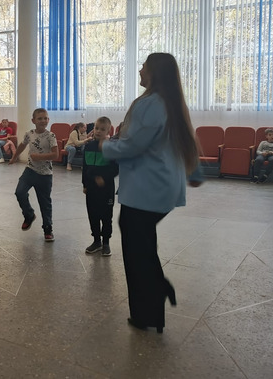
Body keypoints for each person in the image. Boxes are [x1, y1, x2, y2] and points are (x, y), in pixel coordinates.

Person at [101, 52, 202, 334]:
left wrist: (105, 146)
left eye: (144, 66)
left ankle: (148, 308)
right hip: (158, 187)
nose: (140, 70)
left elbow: (133, 145)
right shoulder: (168, 103)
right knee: (143, 246)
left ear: (155, 72)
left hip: (148, 188)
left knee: (137, 250)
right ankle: (154, 303)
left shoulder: (151, 104)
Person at [9, 108, 59, 242]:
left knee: (45, 202)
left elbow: (55, 154)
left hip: (45, 174)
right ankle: (29, 214)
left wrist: (39, 157)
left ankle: (48, 228)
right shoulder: (29, 134)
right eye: (40, 118)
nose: (43, 121)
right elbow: (22, 145)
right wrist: (15, 156)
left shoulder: (51, 136)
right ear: (33, 120)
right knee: (20, 192)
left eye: (45, 118)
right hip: (30, 171)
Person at [81, 117, 118, 256]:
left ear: (108, 131)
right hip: (91, 188)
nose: (98, 131)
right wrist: (85, 184)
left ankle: (106, 242)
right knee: (93, 215)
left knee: (106, 216)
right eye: (96, 128)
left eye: (102, 129)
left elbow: (115, 168)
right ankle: (96, 241)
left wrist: (104, 178)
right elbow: (85, 167)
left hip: (106, 189)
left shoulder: (110, 148)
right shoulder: (88, 146)